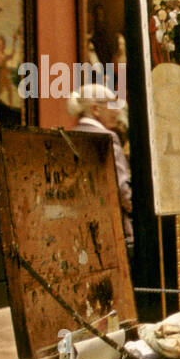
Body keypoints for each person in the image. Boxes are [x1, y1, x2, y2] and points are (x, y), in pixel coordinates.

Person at [68, 83, 134, 250]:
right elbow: (121, 189)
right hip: (113, 229)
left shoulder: (70, 136)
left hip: (81, 228)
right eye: (112, 104)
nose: (117, 111)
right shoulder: (108, 138)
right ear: (96, 109)